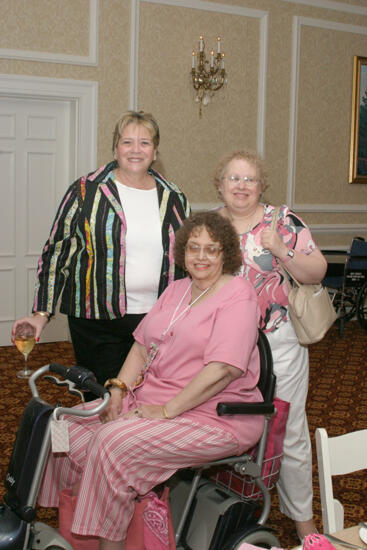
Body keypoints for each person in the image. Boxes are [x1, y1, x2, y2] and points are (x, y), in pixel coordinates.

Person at [38, 211, 265, 549]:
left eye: (211, 249)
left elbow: (223, 370)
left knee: (113, 442)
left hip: (215, 416)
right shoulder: (176, 290)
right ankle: (76, 527)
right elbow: (142, 347)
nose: (201, 256)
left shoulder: (238, 295)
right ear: (182, 252)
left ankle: (110, 542)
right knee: (61, 428)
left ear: (226, 253)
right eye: (193, 248)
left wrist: (167, 410)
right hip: (149, 401)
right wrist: (117, 390)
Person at [11, 111, 190, 394]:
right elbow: (57, 252)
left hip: (157, 320)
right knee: (101, 400)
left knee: (149, 396)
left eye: (144, 143)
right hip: (96, 322)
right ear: (115, 147)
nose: (135, 150)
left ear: (155, 151)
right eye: (127, 142)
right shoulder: (85, 191)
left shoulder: (174, 196)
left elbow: (186, 259)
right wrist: (41, 313)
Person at [213, 150, 328, 540]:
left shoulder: (282, 220)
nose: (241, 186)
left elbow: (318, 270)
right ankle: (226, 513)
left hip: (278, 343)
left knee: (289, 430)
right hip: (224, 348)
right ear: (220, 184)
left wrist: (281, 249)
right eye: (234, 179)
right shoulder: (211, 225)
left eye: (249, 179)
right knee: (225, 425)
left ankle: (304, 524)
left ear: (262, 185)